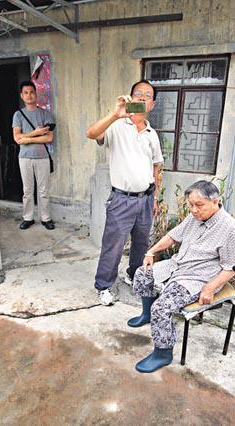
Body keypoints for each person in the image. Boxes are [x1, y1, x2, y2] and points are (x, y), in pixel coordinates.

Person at [128, 180, 235, 373]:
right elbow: (173, 236)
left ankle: (163, 353)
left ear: (215, 202)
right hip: (178, 265)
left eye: (199, 205)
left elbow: (232, 267)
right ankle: (147, 314)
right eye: (190, 205)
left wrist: (210, 287)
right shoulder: (194, 217)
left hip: (198, 278)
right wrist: (151, 252)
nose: (194, 210)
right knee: (142, 273)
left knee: (162, 307)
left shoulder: (230, 229)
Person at [85, 79, 164, 305]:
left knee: (141, 243)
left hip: (146, 199)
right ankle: (103, 285)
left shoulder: (151, 133)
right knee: (114, 245)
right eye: (138, 94)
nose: (142, 98)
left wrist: (155, 198)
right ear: (131, 98)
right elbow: (91, 133)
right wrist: (115, 114)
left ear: (152, 105)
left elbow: (156, 167)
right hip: (122, 199)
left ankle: (133, 275)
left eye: (147, 96)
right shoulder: (116, 126)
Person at [12, 80, 56, 231]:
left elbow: (49, 138)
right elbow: (17, 138)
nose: (29, 95)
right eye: (26, 93)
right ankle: (28, 218)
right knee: (27, 191)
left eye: (31, 92)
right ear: (21, 96)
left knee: (44, 191)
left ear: (36, 94)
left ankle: (46, 218)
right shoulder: (18, 115)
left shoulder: (45, 114)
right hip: (24, 158)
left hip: (42, 157)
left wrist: (27, 139)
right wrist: (36, 132)